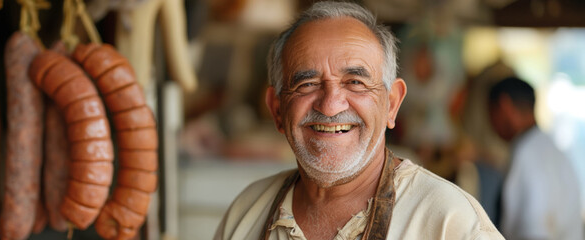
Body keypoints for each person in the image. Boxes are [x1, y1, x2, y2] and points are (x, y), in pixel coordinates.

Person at [214, 2, 503, 239]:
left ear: (391, 105)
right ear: (277, 110)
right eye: (307, 84)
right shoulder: (247, 212)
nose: (329, 106)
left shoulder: (448, 222)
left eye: (355, 82)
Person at [488, 76, 583, 240]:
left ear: (505, 106)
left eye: (491, 112)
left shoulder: (529, 154)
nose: (491, 123)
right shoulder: (549, 147)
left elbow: (536, 232)